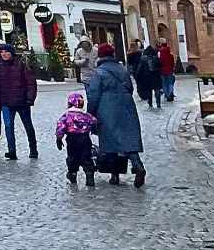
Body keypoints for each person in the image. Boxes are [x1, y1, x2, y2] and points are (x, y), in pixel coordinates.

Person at [87, 43, 146, 187]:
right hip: (126, 105)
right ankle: (138, 167)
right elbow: (130, 87)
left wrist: (90, 114)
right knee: (128, 140)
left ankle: (115, 177)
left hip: (107, 107)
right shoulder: (122, 70)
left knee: (109, 141)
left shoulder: (99, 73)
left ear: (100, 56)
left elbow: (93, 95)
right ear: (112, 55)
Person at [0, 42, 39, 159]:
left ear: (12, 53)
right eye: (2, 52)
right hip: (6, 102)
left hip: (22, 102)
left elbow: (30, 83)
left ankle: (33, 149)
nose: (4, 54)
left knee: (28, 125)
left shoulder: (21, 65)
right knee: (8, 127)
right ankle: (12, 150)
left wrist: (30, 98)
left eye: (6, 52)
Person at [54, 91, 98, 187]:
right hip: (85, 139)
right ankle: (89, 174)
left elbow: (60, 126)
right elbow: (94, 122)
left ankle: (72, 173)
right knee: (86, 157)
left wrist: (59, 137)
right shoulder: (86, 116)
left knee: (72, 157)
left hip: (72, 139)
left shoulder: (67, 116)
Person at [134, 42, 163, 109]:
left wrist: (137, 76)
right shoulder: (155, 57)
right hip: (156, 76)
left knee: (149, 90)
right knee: (157, 89)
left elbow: (140, 68)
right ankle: (158, 104)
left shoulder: (143, 58)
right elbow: (161, 65)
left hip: (147, 77)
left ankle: (150, 103)